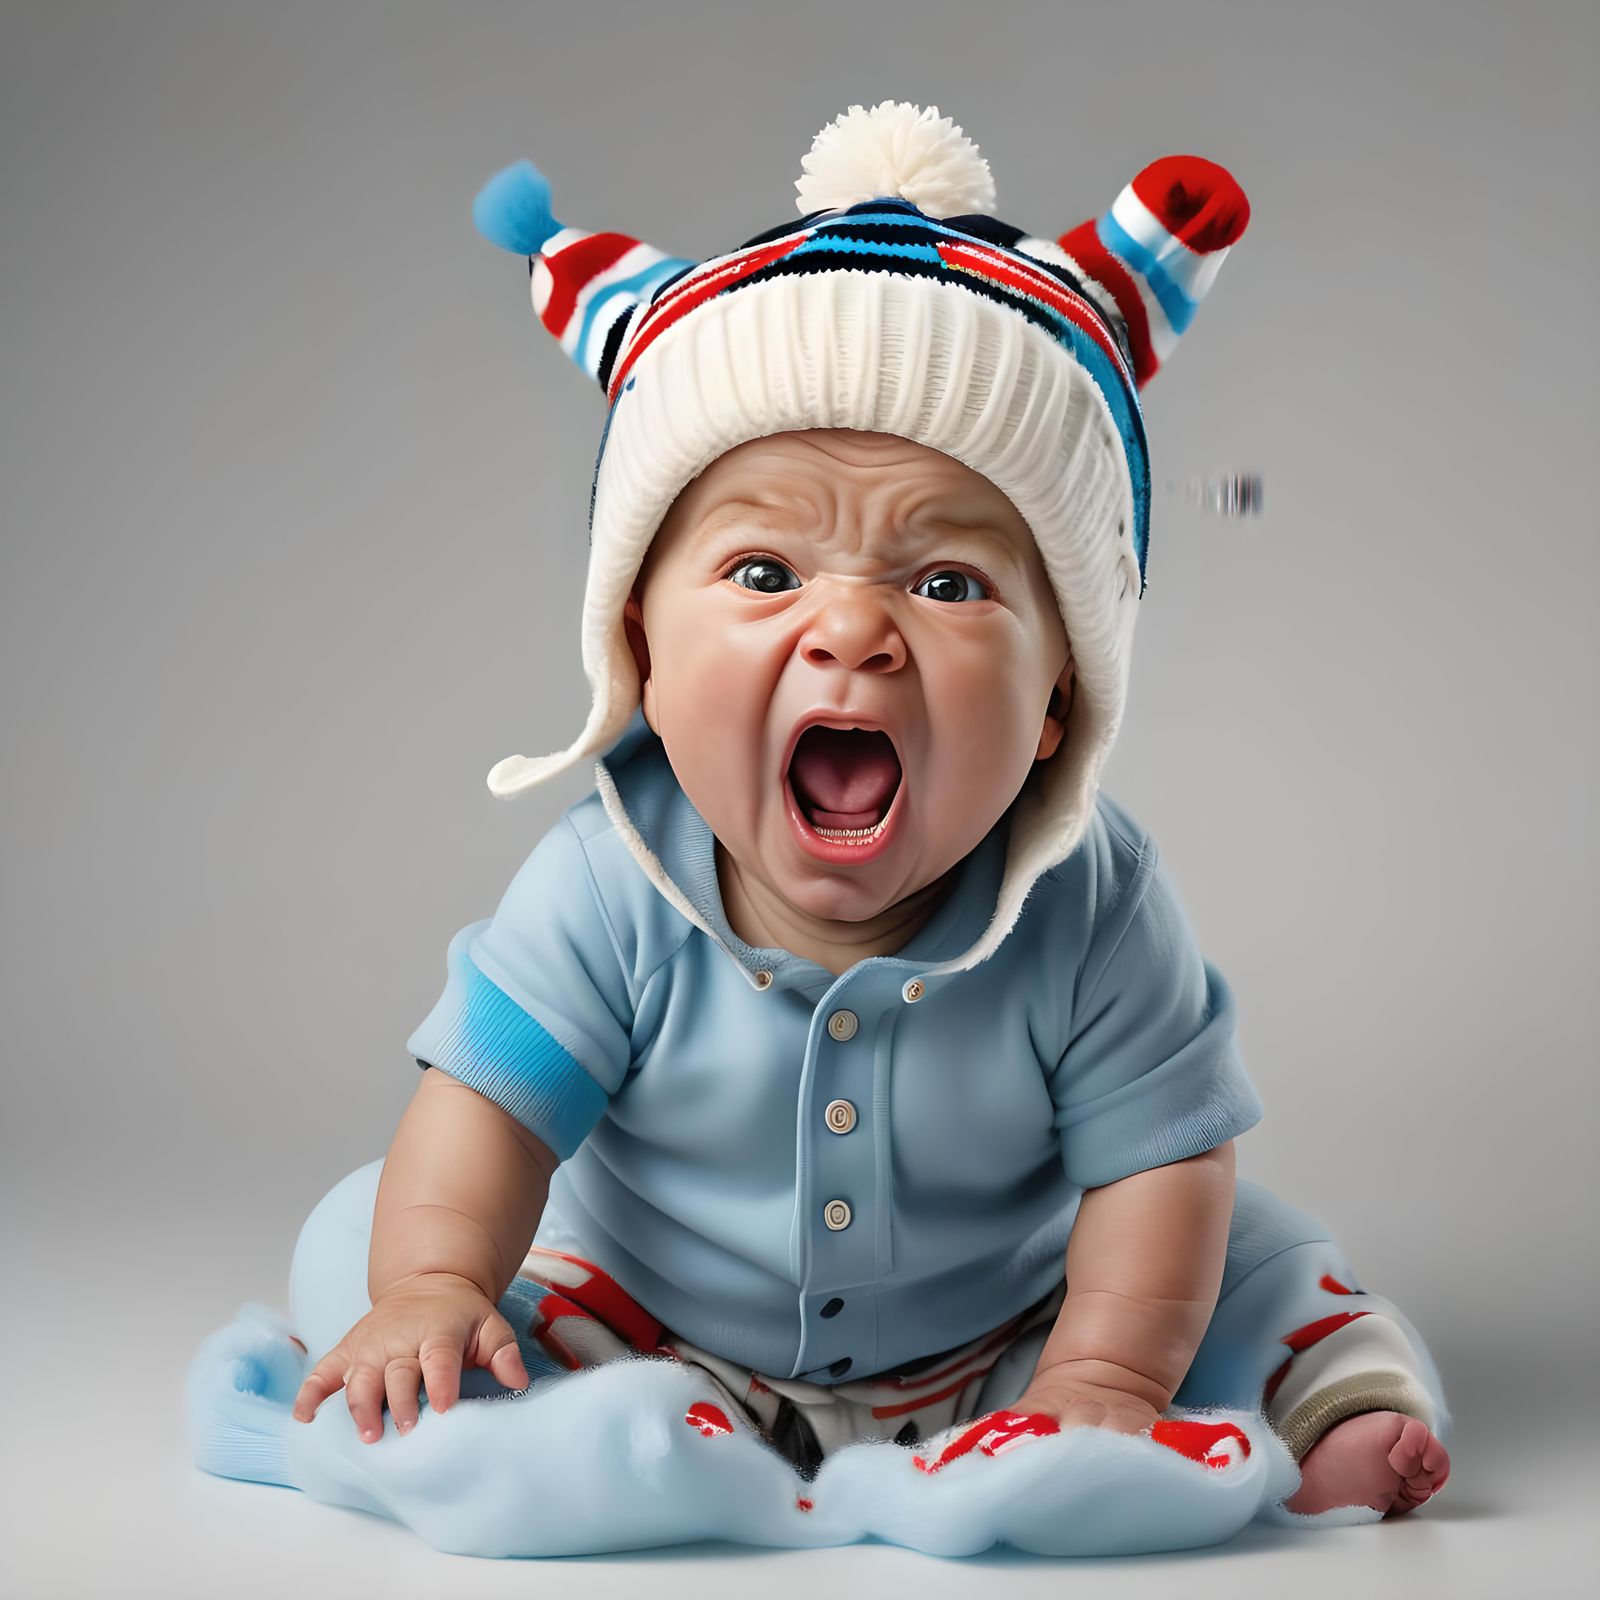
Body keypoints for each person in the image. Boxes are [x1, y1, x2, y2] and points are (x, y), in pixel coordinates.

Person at [289, 101, 1450, 1518]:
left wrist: (1104, 1370)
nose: (852, 631)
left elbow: (1159, 1159)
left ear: (1055, 705)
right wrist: (430, 1282)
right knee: (380, 1238)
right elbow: (488, 1115)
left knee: (1244, 1257)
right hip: (651, 1317)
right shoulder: (607, 889)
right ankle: (611, 1426)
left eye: (949, 584)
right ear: (639, 653)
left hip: (1009, 1337)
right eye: (765, 574)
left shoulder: (1095, 906)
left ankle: (1205, 1414)